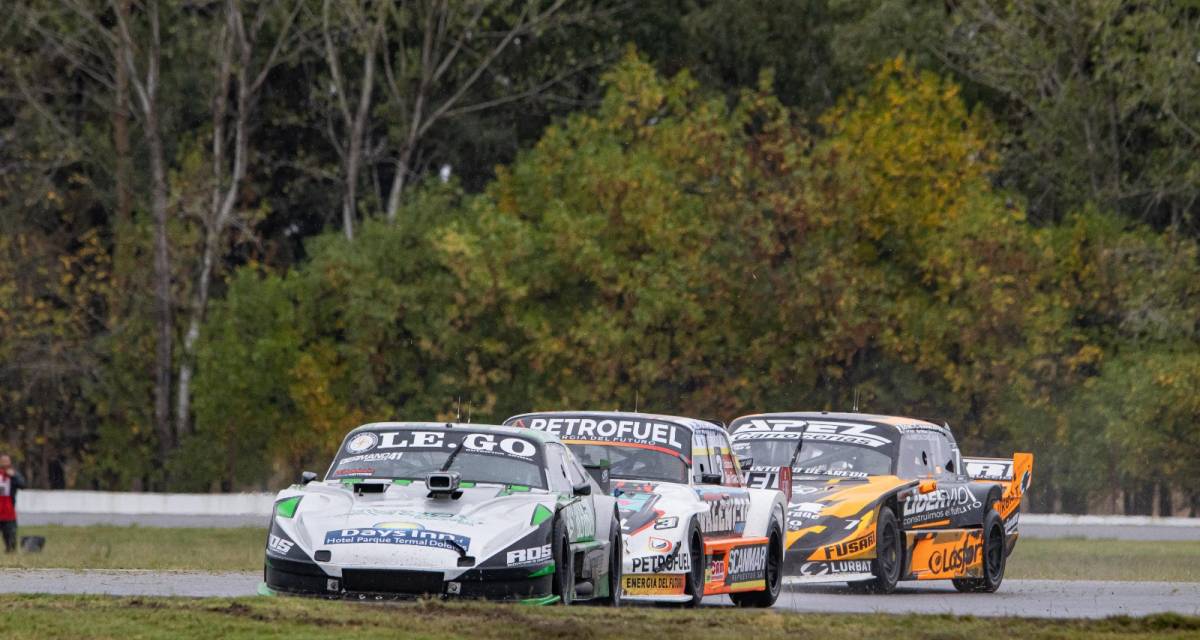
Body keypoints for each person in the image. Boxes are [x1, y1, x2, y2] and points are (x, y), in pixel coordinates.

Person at [0, 454, 26, 553]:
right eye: (3, 461)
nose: (5, 463)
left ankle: (10, 551)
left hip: (8, 510)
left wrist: (14, 476)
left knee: (10, 534)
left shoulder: (14, 474)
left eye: (7, 461)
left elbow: (23, 485)